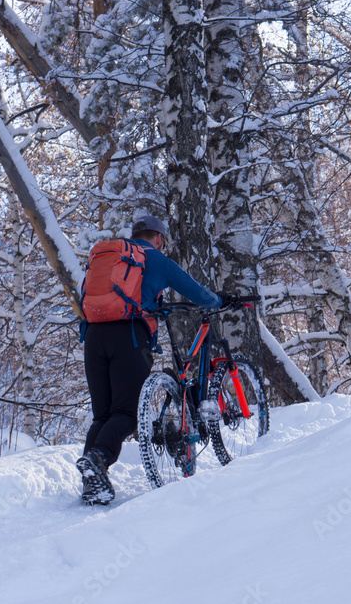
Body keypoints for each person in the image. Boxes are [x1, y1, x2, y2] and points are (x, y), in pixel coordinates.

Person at [76, 215, 225, 505]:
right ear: (159, 238)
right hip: (129, 335)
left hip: (93, 336)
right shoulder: (154, 259)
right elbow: (195, 292)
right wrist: (220, 301)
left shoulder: (113, 258)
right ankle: (97, 459)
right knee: (126, 414)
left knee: (103, 415)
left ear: (135, 235)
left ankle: (91, 483)